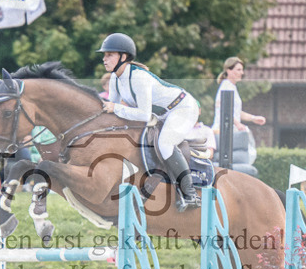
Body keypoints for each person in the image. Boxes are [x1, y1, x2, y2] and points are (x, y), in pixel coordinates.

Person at [98, 32, 202, 211]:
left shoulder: (139, 78)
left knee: (165, 144)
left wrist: (115, 108)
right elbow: (112, 107)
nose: (104, 59)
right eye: (104, 55)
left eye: (109, 55)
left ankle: (190, 194)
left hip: (183, 108)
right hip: (163, 114)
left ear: (123, 57)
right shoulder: (116, 78)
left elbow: (143, 115)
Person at [212, 56, 266, 135]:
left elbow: (236, 112)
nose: (242, 73)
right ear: (229, 71)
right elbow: (225, 111)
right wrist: (238, 124)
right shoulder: (226, 87)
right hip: (223, 132)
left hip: (231, 131)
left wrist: (253, 118)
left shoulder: (232, 87)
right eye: (238, 70)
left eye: (242, 70)